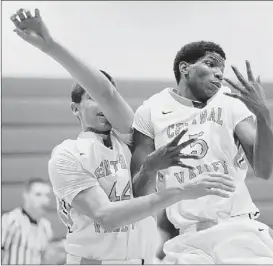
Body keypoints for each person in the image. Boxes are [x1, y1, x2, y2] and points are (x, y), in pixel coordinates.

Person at [10, 8, 235, 264]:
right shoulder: (67, 154)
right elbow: (106, 216)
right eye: (90, 97)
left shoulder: (129, 139)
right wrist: (49, 46)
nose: (103, 105)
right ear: (75, 108)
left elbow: (108, 93)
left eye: (106, 99)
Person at [130, 40, 273, 262]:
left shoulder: (230, 102)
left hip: (237, 230)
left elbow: (264, 169)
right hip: (187, 240)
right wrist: (151, 167)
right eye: (210, 64)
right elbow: (138, 197)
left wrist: (263, 117)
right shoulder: (149, 112)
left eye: (222, 69)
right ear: (185, 68)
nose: (219, 73)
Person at [1, 178, 53, 264]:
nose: (43, 200)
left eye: (47, 195)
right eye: (38, 195)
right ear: (26, 196)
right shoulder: (10, 220)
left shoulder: (46, 227)